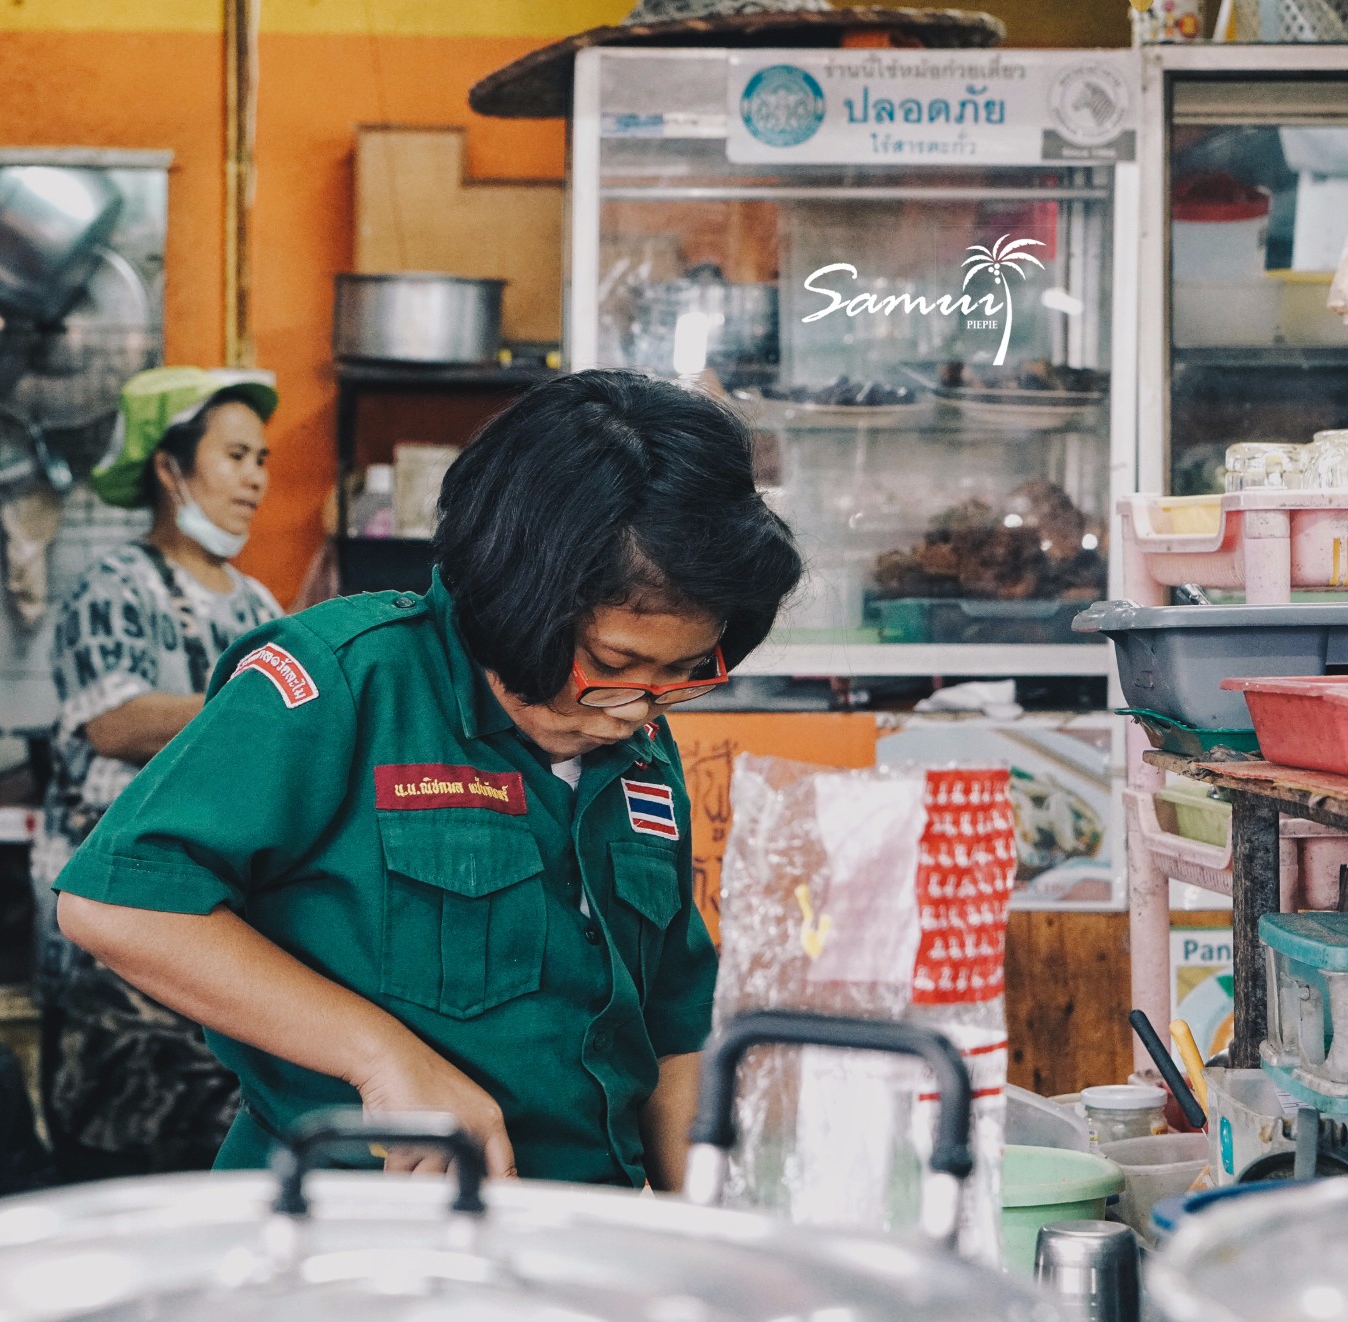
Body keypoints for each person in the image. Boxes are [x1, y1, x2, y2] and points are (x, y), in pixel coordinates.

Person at [56, 369, 802, 1187]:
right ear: (519, 593)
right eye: (613, 662)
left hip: (574, 1241)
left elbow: (670, 1027)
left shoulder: (642, 753)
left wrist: (704, 1224)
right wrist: (382, 1059)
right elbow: (119, 902)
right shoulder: (345, 681)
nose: (635, 709)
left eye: (684, 672)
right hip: (353, 1232)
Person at [32, 366, 283, 1179]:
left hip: (220, 921)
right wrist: (264, 711)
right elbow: (119, 721)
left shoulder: (257, 606)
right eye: (236, 455)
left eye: (263, 459)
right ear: (170, 468)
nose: (256, 477)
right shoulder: (112, 588)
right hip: (115, 932)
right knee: (124, 1164)